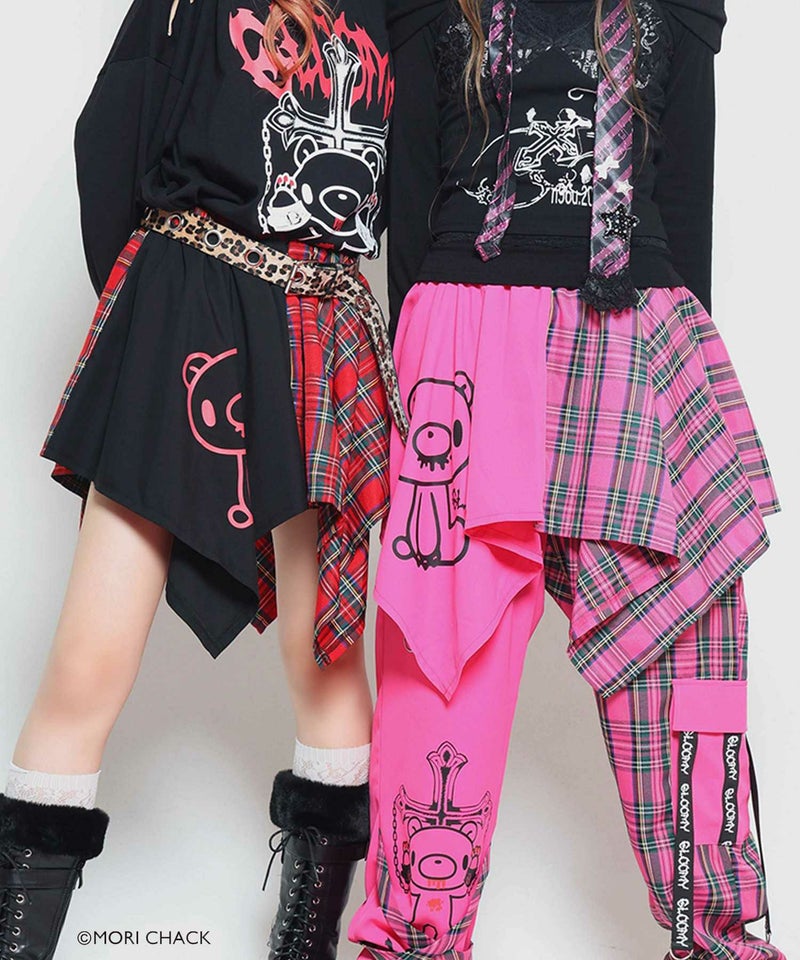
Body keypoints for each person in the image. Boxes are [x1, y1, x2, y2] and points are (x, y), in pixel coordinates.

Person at [347, 1, 787, 958]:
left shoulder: (676, 9)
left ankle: (718, 934)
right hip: (463, 341)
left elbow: (686, 198)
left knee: (688, 652)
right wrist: (417, 384)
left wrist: (677, 375)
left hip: (633, 329)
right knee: (442, 656)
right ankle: (415, 936)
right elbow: (409, 201)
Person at [0, 1, 407, 958]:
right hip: (188, 300)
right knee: (90, 659)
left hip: (321, 328)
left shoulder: (407, 14)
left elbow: (419, 185)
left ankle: (303, 945)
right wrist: (157, 308)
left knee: (328, 663)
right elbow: (111, 134)